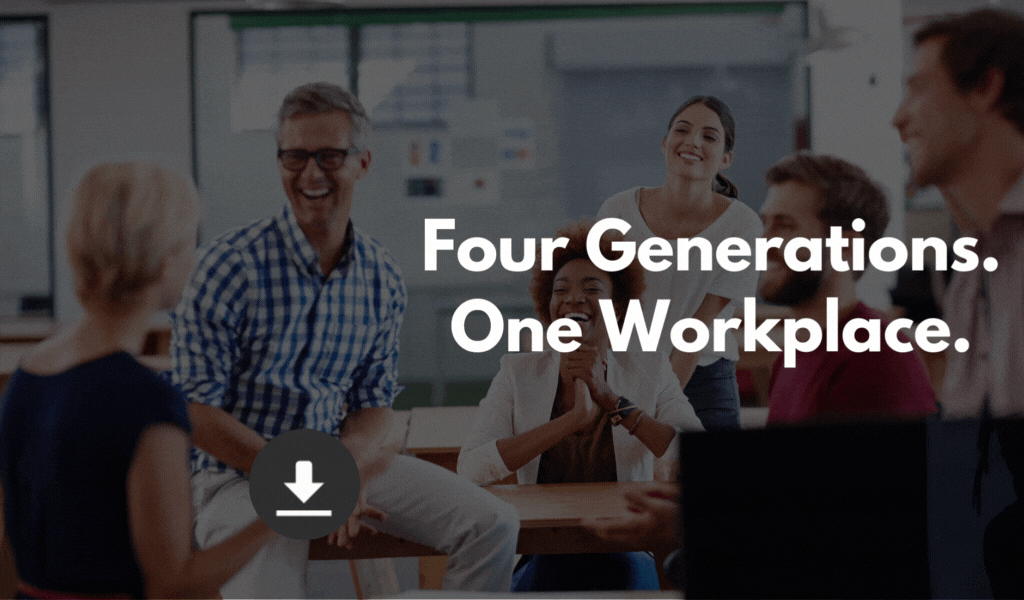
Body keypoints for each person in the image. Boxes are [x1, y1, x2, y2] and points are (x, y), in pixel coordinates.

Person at [170, 82, 518, 598]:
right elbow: (196, 411)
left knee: (493, 525)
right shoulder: (226, 266)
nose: (311, 173)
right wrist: (309, 480)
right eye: (295, 156)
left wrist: (345, 471)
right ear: (280, 160)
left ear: (362, 162)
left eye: (330, 155)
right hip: (236, 476)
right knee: (271, 588)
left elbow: (374, 409)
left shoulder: (380, 275)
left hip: (336, 461)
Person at [0, 163, 275, 599]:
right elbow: (173, 584)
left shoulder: (29, 375)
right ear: (165, 259)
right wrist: (280, 517)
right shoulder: (146, 402)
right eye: (189, 242)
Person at [458, 220, 703, 592]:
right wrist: (571, 420)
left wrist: (611, 400)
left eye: (592, 288)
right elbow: (471, 468)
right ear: (548, 305)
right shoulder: (518, 371)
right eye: (561, 290)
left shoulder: (649, 367)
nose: (573, 298)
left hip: (626, 549)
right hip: (544, 553)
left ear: (619, 306)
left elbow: (695, 456)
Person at [893, 9, 1024, 597]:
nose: (899, 119)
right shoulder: (975, 266)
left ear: (987, 88)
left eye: (918, 89)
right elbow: (967, 475)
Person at [597, 96, 763, 431]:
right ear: (665, 142)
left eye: (709, 136)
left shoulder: (742, 225)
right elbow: (600, 304)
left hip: (702, 381)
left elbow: (696, 328)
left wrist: (653, 407)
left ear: (726, 158)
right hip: (623, 374)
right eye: (682, 130)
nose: (692, 141)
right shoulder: (618, 211)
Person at [758, 154, 937, 423]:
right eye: (765, 224)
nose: (763, 242)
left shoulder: (875, 362)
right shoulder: (794, 352)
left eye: (785, 226)